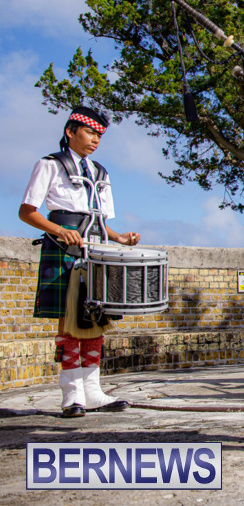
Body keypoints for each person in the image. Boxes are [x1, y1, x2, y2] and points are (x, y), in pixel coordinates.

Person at [18, 106, 140, 418]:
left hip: (96, 248)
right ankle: (71, 394)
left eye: (99, 135)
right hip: (64, 248)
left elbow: (100, 220)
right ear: (71, 132)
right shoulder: (50, 164)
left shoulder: (101, 172)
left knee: (96, 319)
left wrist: (119, 238)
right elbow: (27, 212)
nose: (95, 140)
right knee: (68, 320)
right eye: (89, 132)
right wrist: (59, 230)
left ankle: (94, 392)